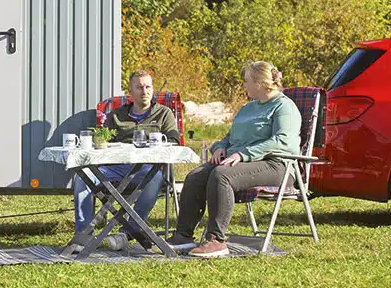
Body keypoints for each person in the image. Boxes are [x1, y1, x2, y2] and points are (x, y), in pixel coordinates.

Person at [169, 61, 301, 258]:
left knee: (222, 175)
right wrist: (220, 146)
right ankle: (183, 236)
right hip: (241, 162)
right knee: (196, 176)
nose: (244, 85)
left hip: (277, 165)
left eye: (246, 81)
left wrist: (243, 154)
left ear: (259, 83)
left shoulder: (284, 107)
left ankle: (216, 240)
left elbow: (282, 142)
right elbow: (231, 136)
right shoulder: (248, 108)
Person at [73, 70, 180, 250]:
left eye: (148, 87)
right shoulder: (116, 115)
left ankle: (129, 231)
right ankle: (83, 235)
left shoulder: (164, 113)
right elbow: (102, 140)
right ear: (130, 90)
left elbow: (175, 141)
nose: (144, 91)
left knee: (154, 178)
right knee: (83, 176)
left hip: (146, 169)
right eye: (139, 87)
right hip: (115, 168)